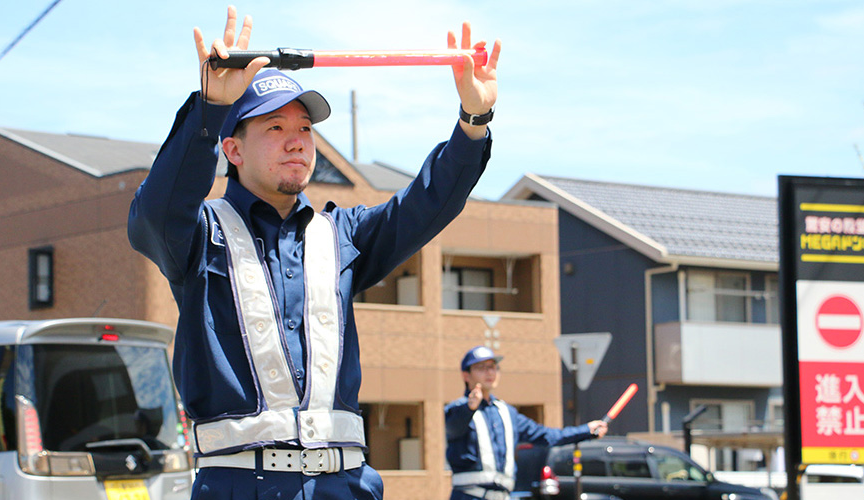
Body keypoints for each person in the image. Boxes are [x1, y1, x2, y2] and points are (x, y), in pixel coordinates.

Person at [127, 5, 501, 499]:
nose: (297, 143)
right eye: (275, 128)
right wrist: (209, 109)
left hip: (345, 487)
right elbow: (154, 213)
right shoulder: (202, 234)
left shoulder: (340, 233)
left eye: (304, 130)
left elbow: (426, 205)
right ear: (232, 150)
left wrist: (474, 122)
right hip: (239, 486)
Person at [445, 346, 608, 500]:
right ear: (466, 375)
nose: (489, 372)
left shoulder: (506, 412)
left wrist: (585, 430)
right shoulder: (457, 409)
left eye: (493, 367)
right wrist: (469, 407)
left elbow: (547, 436)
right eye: (481, 368)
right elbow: (453, 428)